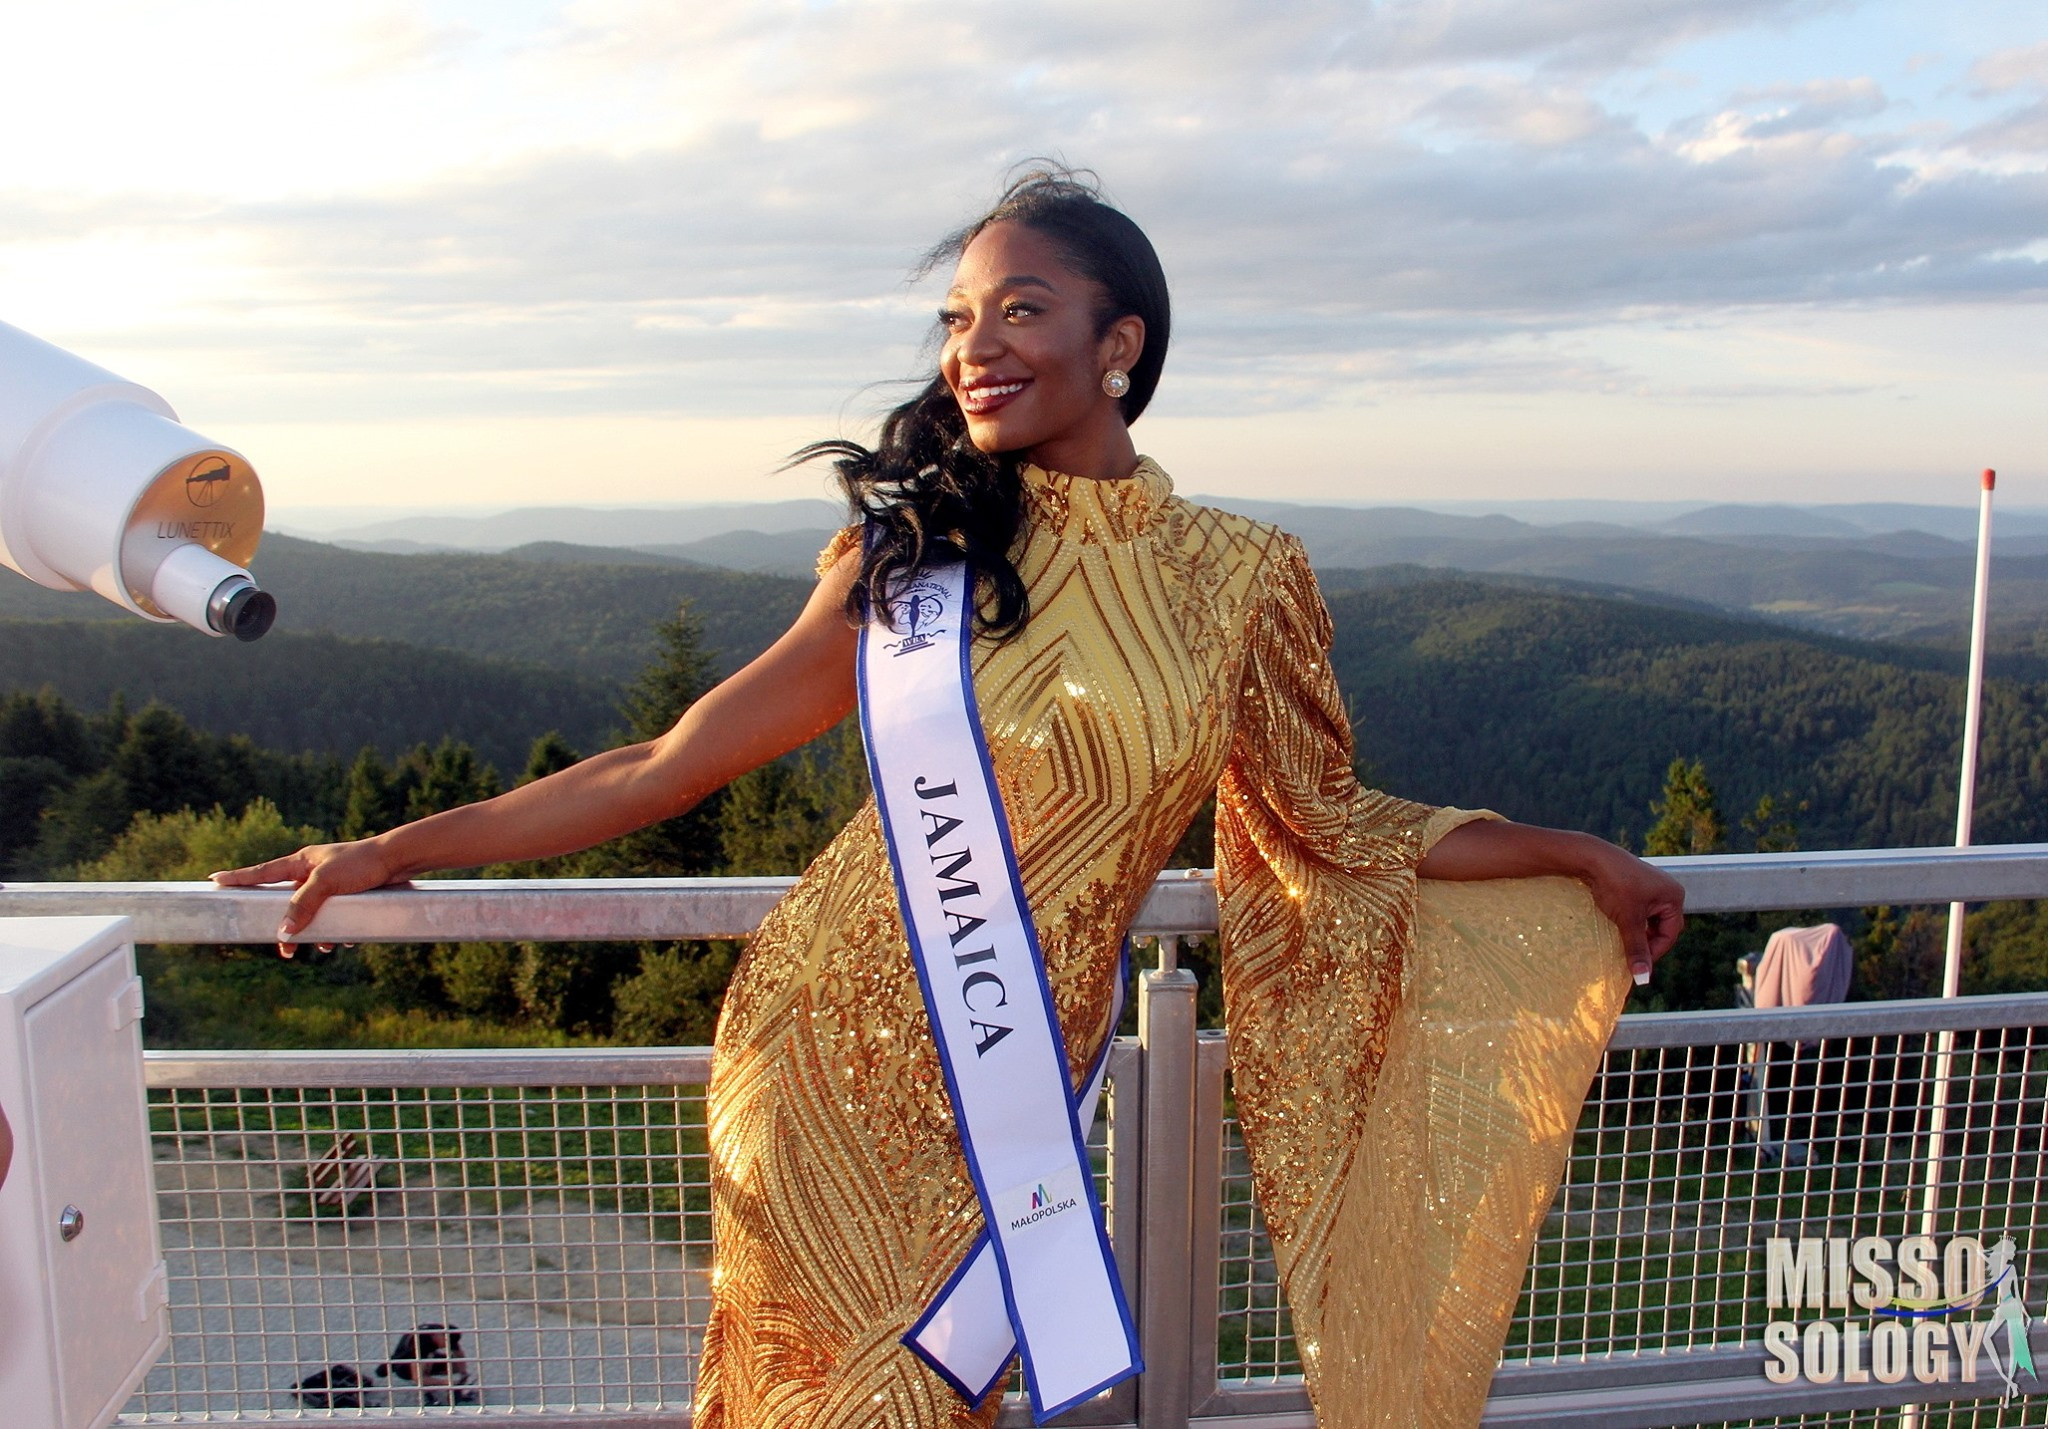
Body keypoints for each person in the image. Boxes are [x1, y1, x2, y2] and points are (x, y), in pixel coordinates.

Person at [215, 168, 1684, 1428]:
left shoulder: (1242, 575)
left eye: (1021, 310)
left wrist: (1573, 853)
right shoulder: (916, 554)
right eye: (959, 319)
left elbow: (1328, 819)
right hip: (822, 1055)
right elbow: (670, 762)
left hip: (1013, 1097)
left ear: (1123, 343)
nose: (975, 349)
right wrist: (394, 845)